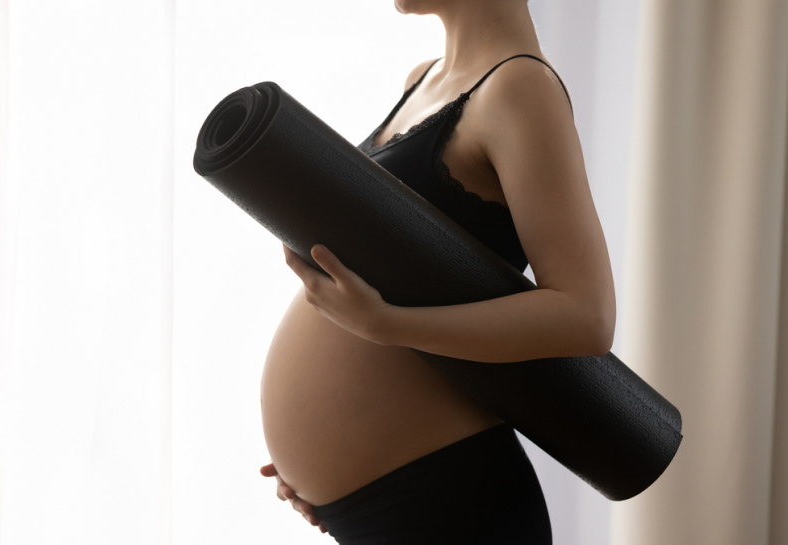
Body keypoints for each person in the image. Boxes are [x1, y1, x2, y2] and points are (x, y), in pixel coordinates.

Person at [259, 0, 615, 542]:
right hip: (378, 507)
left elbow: (585, 316)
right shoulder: (423, 80)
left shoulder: (519, 87)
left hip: (449, 502)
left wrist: (386, 325)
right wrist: (320, 464)